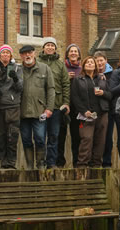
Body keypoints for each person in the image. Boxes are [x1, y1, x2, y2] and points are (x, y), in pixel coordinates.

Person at [19, 45, 55, 169]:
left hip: (40, 111)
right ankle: (29, 165)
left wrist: (49, 108)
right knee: (26, 139)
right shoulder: (18, 70)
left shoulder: (45, 69)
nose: (27, 56)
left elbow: (51, 89)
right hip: (22, 111)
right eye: (24, 54)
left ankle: (40, 163)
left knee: (40, 138)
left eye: (29, 53)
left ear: (34, 53)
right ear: (21, 56)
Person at [71, 56, 112, 168]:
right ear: (83, 66)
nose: (90, 64)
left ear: (95, 65)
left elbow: (110, 95)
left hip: (102, 113)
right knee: (87, 138)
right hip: (87, 115)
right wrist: (84, 111)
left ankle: (96, 165)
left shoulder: (102, 79)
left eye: (92, 62)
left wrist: (103, 93)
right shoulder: (78, 80)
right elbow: (75, 98)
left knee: (100, 140)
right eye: (87, 62)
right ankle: (82, 164)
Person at [38, 37, 71, 169]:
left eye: (52, 45)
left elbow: (65, 84)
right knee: (40, 137)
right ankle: (40, 162)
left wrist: (66, 102)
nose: (50, 47)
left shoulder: (60, 64)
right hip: (40, 106)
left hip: (57, 106)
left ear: (55, 48)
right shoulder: (37, 62)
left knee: (54, 136)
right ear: (43, 48)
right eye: (48, 45)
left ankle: (51, 162)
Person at [0, 44, 23, 169]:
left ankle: (11, 163)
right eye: (3, 53)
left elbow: (21, 88)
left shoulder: (17, 69)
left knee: (12, 136)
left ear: (11, 55)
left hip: (13, 107)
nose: (5, 55)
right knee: (0, 137)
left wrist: (16, 79)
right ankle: (3, 162)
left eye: (7, 53)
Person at [64, 44, 83, 166]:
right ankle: (59, 162)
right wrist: (66, 77)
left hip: (78, 107)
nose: (73, 53)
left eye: (75, 51)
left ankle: (77, 161)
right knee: (60, 135)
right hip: (64, 104)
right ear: (67, 54)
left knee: (77, 136)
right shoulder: (62, 67)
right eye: (71, 51)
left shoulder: (82, 69)